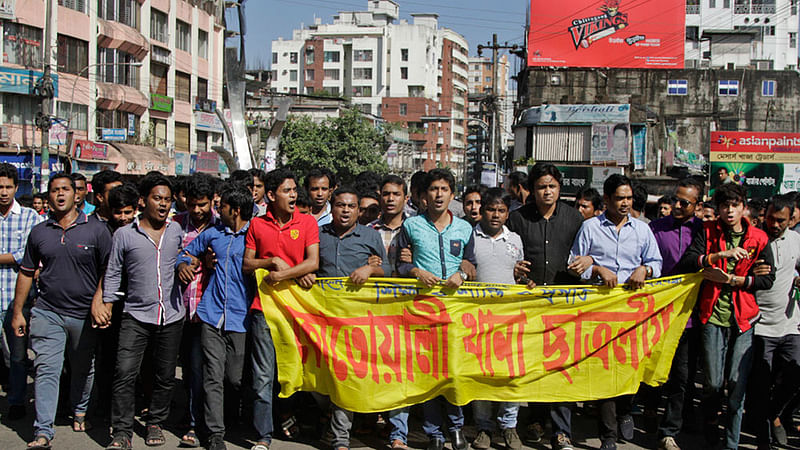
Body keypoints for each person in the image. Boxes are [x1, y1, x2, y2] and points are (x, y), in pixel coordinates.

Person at [11, 173, 112, 449]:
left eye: (65, 189)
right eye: (54, 190)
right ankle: (43, 431)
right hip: (47, 312)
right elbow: (27, 272)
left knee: (83, 367)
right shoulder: (40, 232)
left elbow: (109, 270)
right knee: (47, 368)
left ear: (76, 194)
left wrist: (101, 301)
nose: (60, 194)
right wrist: (19, 311)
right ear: (49, 195)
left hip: (83, 313)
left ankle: (80, 410)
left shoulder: (96, 230)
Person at [569, 173, 663, 450]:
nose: (625, 203)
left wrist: (644, 269)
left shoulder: (643, 230)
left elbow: (657, 262)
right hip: (600, 309)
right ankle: (608, 434)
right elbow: (574, 263)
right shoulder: (590, 228)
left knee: (630, 366)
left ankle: (625, 410)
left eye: (629, 198)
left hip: (632, 310)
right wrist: (597, 268)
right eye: (619, 198)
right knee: (604, 370)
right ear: (607, 200)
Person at [678, 181, 774, 449]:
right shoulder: (707, 231)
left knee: (736, 383)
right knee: (712, 382)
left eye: (734, 205)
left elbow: (767, 280)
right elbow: (688, 262)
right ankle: (710, 422)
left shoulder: (759, 238)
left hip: (744, 319)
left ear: (743, 207)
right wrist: (717, 255)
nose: (729, 211)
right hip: (712, 316)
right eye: (724, 206)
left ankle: (731, 443)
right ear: (717, 209)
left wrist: (735, 280)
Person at [102, 172, 186, 449]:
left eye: (167, 199)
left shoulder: (176, 231)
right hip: (135, 315)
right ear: (143, 201)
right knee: (125, 372)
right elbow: (113, 272)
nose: (163, 204)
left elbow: (187, 256)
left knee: (164, 375)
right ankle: (122, 431)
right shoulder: (125, 234)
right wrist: (107, 304)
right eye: (157, 198)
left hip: (172, 315)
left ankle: (155, 423)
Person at [507, 163, 585, 450]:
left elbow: (587, 253)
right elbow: (506, 254)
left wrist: (587, 262)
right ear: (533, 190)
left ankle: (562, 431)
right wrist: (514, 268)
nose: (547, 191)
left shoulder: (575, 219)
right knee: (533, 364)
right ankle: (535, 419)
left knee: (561, 365)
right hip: (528, 305)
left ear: (559, 188)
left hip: (564, 306)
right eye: (541, 186)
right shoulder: (517, 219)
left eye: (552, 186)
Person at [396, 168, 474, 450]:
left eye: (444, 189)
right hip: (422, 311)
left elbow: (471, 263)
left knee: (454, 372)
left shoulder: (465, 228)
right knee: (427, 372)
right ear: (424, 196)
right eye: (433, 189)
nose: (438, 194)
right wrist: (417, 271)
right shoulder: (411, 226)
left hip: (455, 313)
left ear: (452, 194)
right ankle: (433, 433)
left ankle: (456, 427)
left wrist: (462, 275)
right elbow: (401, 266)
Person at [243, 168, 320, 450]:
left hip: (298, 309)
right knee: (263, 375)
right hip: (263, 309)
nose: (293, 195)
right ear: (271, 195)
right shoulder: (256, 225)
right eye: (287, 191)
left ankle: (291, 419)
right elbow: (247, 264)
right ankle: (263, 436)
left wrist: (285, 274)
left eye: (294, 191)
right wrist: (271, 262)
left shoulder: (308, 222)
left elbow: (312, 263)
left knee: (296, 370)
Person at [177, 182, 255, 450]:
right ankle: (215, 435)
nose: (215, 210)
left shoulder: (254, 236)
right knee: (211, 376)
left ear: (234, 210)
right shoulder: (213, 234)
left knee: (233, 378)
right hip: (210, 316)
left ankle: (232, 419)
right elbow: (186, 253)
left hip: (241, 319)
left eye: (220, 206)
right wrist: (184, 264)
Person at [313, 187, 390, 450]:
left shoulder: (370, 236)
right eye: (340, 205)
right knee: (321, 380)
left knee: (348, 377)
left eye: (351, 206)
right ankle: (330, 417)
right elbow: (307, 263)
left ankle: (341, 437)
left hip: (359, 321)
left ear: (359, 210)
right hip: (323, 319)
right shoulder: (318, 235)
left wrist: (370, 268)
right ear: (331, 208)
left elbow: (387, 271)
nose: (345, 210)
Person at [648, 178, 705, 450]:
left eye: (685, 202)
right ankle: (646, 410)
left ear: (698, 205)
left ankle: (669, 430)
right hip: (655, 313)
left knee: (681, 376)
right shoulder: (655, 229)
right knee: (649, 368)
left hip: (690, 316)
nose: (678, 206)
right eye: (676, 200)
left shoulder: (704, 232)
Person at [469, 188, 524, 450]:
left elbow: (520, 275)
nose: (496, 215)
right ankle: (483, 428)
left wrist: (525, 278)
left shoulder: (515, 240)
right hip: (477, 320)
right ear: (483, 210)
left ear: (507, 212)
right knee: (481, 375)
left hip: (509, 319)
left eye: (501, 210)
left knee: (509, 375)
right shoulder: (469, 236)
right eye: (491, 209)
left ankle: (509, 426)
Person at [748, 195, 800, 450]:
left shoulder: (797, 241)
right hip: (760, 324)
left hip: (790, 324)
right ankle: (762, 439)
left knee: (795, 374)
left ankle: (774, 414)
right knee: (760, 385)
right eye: (771, 218)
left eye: (781, 220)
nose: (775, 224)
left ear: (791, 220)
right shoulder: (755, 239)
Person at [174, 173, 221, 447]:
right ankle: (188, 418)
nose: (197, 210)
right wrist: (180, 263)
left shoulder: (221, 225)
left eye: (202, 204)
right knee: (185, 370)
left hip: (209, 308)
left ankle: (198, 423)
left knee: (203, 371)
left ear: (212, 200)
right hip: (179, 307)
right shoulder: (176, 225)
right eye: (192, 204)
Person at [0, 163, 44, 421]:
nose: (3, 192)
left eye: (7, 187)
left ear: (16, 188)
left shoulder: (30, 217)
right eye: (0, 187)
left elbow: (27, 256)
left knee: (18, 355)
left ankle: (16, 401)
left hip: (18, 299)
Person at [370, 175, 408, 277]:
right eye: (386, 194)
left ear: (406, 199)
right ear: (380, 197)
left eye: (396, 194)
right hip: (376, 289)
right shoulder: (369, 229)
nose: (390, 199)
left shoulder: (414, 228)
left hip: (407, 290)